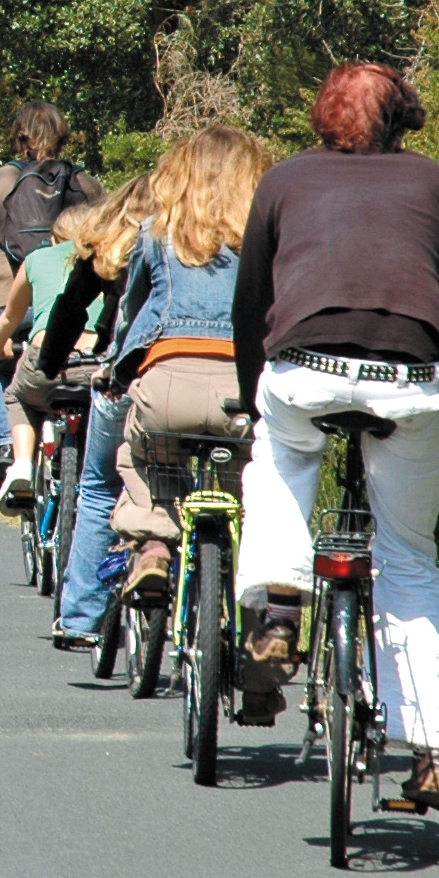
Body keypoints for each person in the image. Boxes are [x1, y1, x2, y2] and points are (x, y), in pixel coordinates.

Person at [232, 63, 439, 815]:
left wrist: (256, 395)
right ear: (403, 118)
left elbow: (254, 303)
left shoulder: (282, 181)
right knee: (408, 556)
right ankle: (433, 751)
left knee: (278, 463)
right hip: (412, 382)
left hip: (303, 370)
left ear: (320, 116)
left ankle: (279, 614)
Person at [104, 128, 275, 698]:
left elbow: (132, 314)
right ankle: (256, 658)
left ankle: (154, 547)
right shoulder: (266, 235)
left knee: (140, 453)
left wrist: (114, 368)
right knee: (253, 499)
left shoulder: (156, 233)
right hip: (240, 388)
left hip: (168, 384)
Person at [0, 102, 102, 490]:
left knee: (0, 368)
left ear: (21, 139)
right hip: (77, 297)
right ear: (63, 139)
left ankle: (8, 446)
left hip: (8, 296)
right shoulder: (85, 185)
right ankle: (81, 451)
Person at [37, 174, 150, 647]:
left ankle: (81, 616)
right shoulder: (202, 239)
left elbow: (70, 308)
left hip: (127, 379)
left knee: (100, 488)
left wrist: (49, 362)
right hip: (210, 381)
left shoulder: (111, 245)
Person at [0, 201, 99, 502]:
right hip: (95, 364)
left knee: (16, 396)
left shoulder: (38, 259)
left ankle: (22, 464)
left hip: (45, 361)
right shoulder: (110, 261)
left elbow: (11, 316)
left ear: (54, 238)